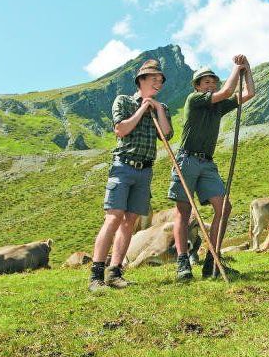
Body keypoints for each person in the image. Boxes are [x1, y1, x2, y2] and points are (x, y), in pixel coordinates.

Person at [88, 59, 173, 292]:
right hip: (123, 166)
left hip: (145, 170)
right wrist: (143, 108)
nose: (158, 83)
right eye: (154, 79)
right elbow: (121, 129)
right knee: (113, 218)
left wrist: (157, 109)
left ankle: (115, 272)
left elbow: (166, 134)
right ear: (141, 80)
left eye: (161, 80)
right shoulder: (124, 101)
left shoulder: (161, 108)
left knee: (130, 223)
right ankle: (96, 274)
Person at [168, 55, 255, 281]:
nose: (210, 84)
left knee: (224, 207)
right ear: (197, 86)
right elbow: (227, 92)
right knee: (184, 211)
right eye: (205, 82)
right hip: (186, 159)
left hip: (207, 162)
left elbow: (249, 94)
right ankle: (182, 262)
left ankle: (212, 262)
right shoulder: (194, 99)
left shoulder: (217, 106)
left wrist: (247, 68)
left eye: (213, 81)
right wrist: (237, 68)